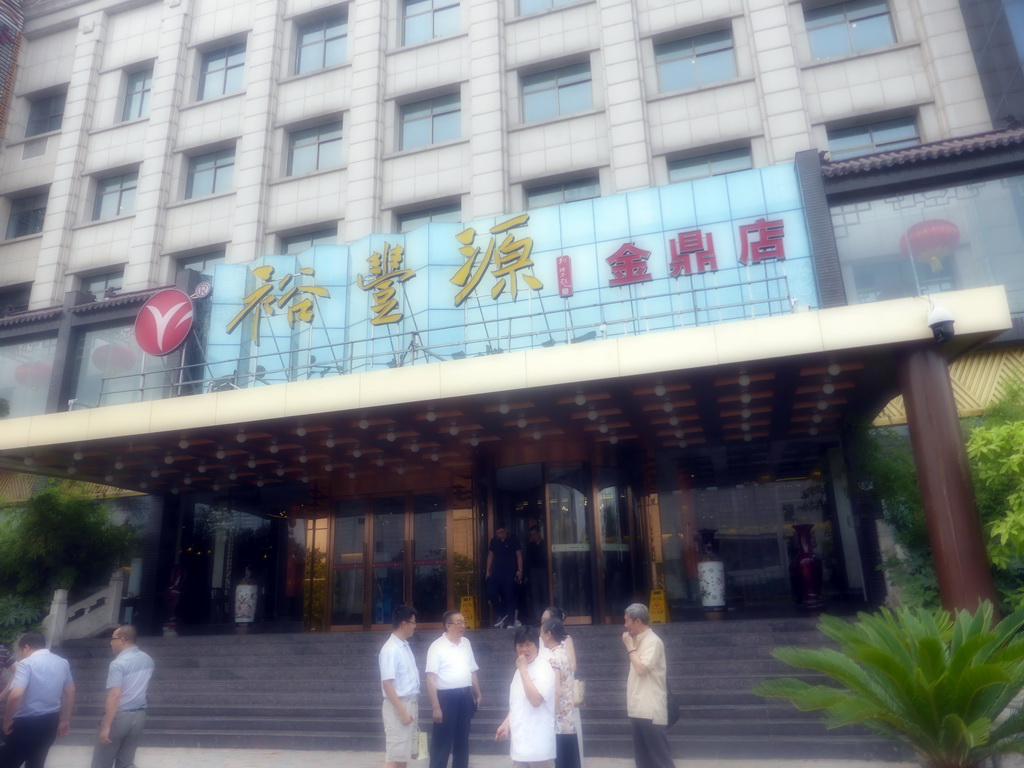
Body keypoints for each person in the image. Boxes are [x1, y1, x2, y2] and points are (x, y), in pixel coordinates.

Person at [0, 631, 75, 768]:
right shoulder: (62, 662)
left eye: (20, 651)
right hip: (51, 721)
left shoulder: (26, 664)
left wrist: (7, 720)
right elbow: (70, 691)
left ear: (26, 647)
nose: (20, 654)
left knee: (7, 762)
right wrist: (65, 720)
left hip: (26, 724)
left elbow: (16, 695)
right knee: (36, 763)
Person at [91, 625, 155, 768]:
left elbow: (115, 695)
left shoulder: (118, 664)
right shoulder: (148, 659)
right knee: (126, 763)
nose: (110, 643)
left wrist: (106, 725)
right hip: (139, 716)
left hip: (119, 717)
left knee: (101, 763)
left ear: (122, 640)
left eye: (112, 639)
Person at [425, 611, 481, 768]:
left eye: (464, 622)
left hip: (465, 696)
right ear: (448, 626)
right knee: (441, 742)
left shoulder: (466, 643)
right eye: (459, 622)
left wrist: (478, 693)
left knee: (462, 741)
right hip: (446, 698)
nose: (463, 625)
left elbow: (472, 671)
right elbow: (430, 678)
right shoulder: (437, 646)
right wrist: (436, 707)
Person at [495, 625, 557, 768]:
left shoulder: (544, 668)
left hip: (539, 746)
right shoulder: (520, 670)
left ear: (537, 646)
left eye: (529, 645)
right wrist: (506, 724)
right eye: (520, 645)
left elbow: (535, 700)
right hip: (519, 745)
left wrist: (523, 670)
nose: (524, 649)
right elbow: (518, 703)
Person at [621, 603, 672, 768]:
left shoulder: (653, 642)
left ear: (637, 621)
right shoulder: (638, 641)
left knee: (660, 760)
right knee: (643, 760)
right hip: (637, 708)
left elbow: (641, 669)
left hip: (650, 709)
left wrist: (629, 647)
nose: (625, 625)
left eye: (627, 621)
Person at [379, 605, 420, 768]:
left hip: (409, 703)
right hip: (399, 705)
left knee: (403, 755)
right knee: (394, 756)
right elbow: (387, 684)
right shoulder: (390, 649)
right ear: (404, 623)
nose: (415, 626)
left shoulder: (404, 645)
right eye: (413, 622)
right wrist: (402, 711)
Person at [541, 618, 581, 768]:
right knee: (571, 757)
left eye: (542, 632)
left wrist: (552, 714)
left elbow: (556, 690)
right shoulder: (564, 654)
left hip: (559, 718)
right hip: (569, 716)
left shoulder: (553, 658)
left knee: (561, 759)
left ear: (548, 635)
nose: (540, 636)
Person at [486, 522, 523, 629]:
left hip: (509, 572)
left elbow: (519, 555)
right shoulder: (494, 541)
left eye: (501, 532)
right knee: (490, 593)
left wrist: (520, 570)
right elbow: (490, 556)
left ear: (506, 530)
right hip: (496, 572)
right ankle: (501, 612)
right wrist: (488, 570)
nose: (500, 534)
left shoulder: (513, 539)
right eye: (498, 533)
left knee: (509, 596)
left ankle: (511, 621)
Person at [524, 526, 547, 623]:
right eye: (531, 535)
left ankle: (546, 617)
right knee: (535, 595)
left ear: (539, 534)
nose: (533, 536)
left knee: (545, 594)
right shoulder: (530, 546)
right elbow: (527, 561)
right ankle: (538, 618)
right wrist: (526, 574)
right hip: (533, 571)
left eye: (534, 534)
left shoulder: (545, 544)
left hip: (544, 570)